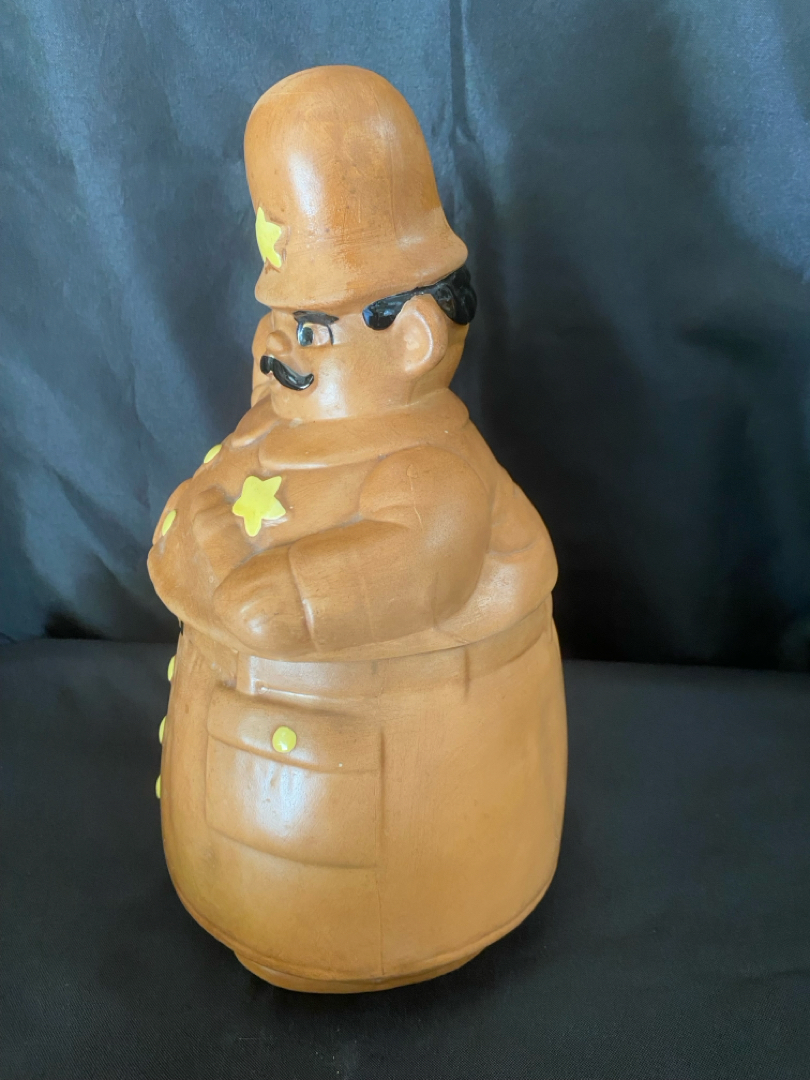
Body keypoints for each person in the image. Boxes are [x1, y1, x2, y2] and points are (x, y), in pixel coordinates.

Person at [148, 65, 566, 993]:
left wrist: (222, 560)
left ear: (411, 339)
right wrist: (215, 548)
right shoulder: (264, 436)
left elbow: (279, 607)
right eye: (276, 319)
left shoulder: (433, 478)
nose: (276, 347)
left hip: (397, 854)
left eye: (312, 326)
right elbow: (178, 541)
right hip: (239, 813)